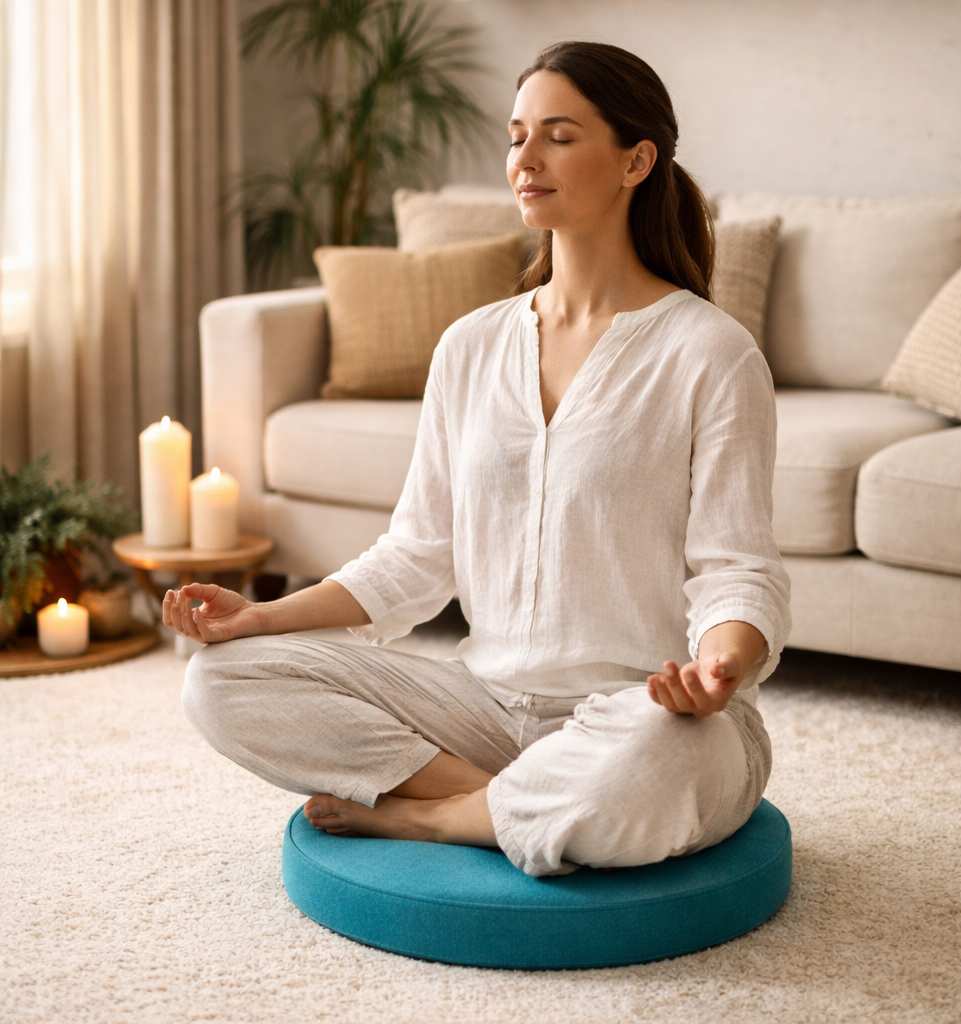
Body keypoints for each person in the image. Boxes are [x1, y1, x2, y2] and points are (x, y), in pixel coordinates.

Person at [175, 40, 792, 878]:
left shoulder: (710, 353)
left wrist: (719, 669)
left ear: (636, 160)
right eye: (515, 136)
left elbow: (737, 571)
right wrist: (257, 619)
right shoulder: (470, 346)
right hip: (482, 705)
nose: (524, 160)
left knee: (662, 761)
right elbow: (417, 557)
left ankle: (436, 818)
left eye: (560, 136)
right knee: (216, 681)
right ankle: (514, 798)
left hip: (644, 710)